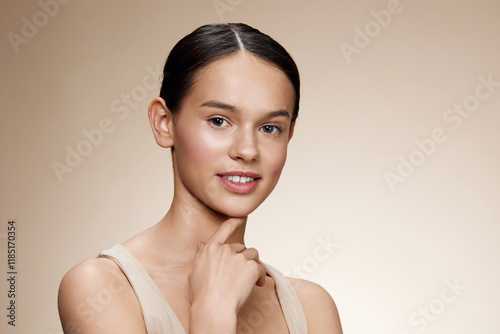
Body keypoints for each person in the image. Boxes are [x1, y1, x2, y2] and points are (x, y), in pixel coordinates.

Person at [58, 23, 343, 333]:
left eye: (269, 128)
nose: (247, 150)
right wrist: (212, 312)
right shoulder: (101, 288)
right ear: (164, 123)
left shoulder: (311, 308)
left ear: (289, 135)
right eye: (219, 121)